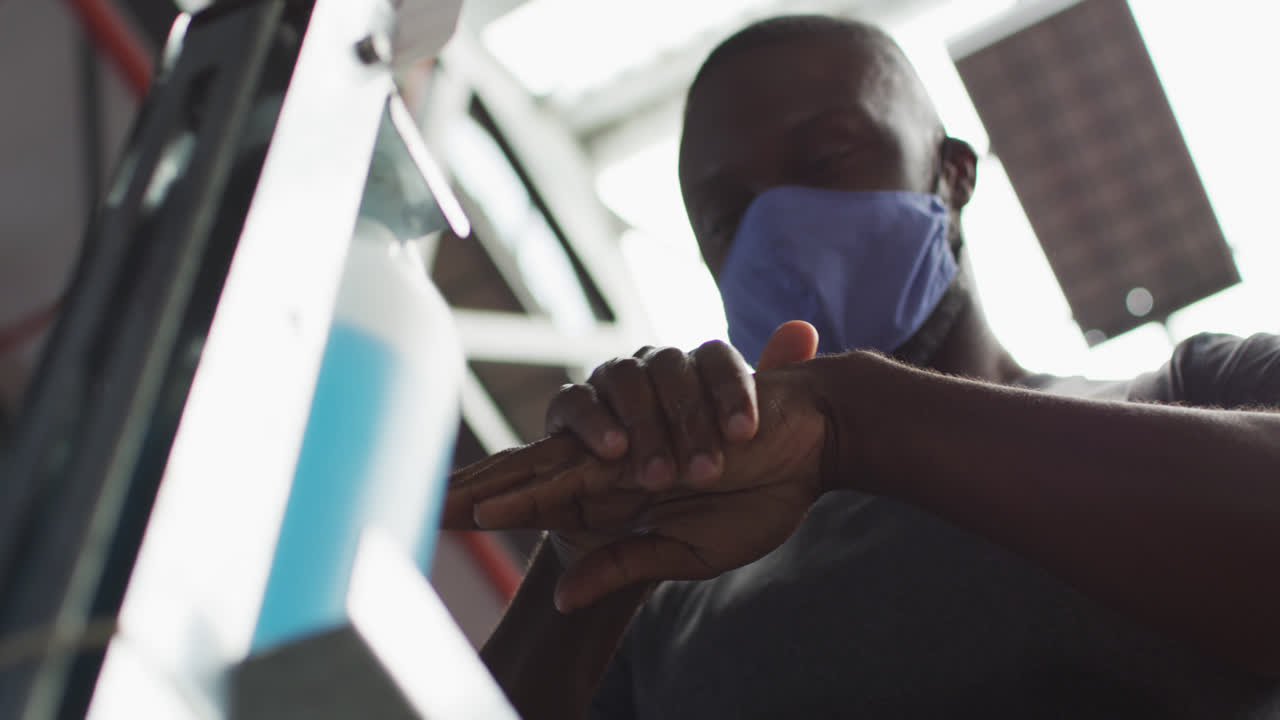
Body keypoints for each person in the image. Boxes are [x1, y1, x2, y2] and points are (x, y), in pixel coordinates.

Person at [445, 15, 1280, 719]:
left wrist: (853, 416)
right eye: (727, 217)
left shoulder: (1188, 395)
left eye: (825, 162)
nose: (778, 229)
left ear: (951, 176)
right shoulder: (672, 589)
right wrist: (578, 567)